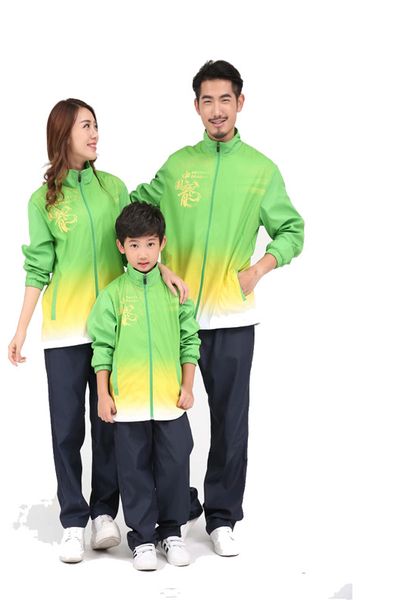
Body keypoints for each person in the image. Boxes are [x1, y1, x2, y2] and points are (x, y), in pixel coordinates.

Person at [130, 60, 305, 556]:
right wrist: (158, 266)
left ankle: (222, 516)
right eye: (207, 100)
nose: (216, 110)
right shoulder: (178, 166)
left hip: (232, 318)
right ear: (196, 107)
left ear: (240, 102)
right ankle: (179, 505)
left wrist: (260, 268)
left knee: (230, 422)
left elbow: (292, 230)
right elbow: (136, 212)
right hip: (176, 315)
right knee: (167, 422)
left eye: (225, 99)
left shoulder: (261, 170)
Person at [8, 98, 187, 563]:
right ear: (63, 134)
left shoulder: (114, 188)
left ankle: (104, 514)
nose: (94, 134)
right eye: (85, 126)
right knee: (66, 429)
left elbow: (137, 241)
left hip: (118, 328)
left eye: (95, 125)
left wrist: (165, 270)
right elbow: (38, 267)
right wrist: (21, 329)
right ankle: (73, 520)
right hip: (65, 331)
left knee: (109, 424)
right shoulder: (43, 202)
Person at [87, 202, 201, 570]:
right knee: (133, 471)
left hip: (170, 402)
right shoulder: (114, 295)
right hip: (128, 404)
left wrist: (188, 386)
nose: (143, 253)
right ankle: (142, 538)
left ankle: (171, 532)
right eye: (134, 245)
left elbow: (189, 341)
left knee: (174, 465)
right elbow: (102, 348)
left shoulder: (175, 292)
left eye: (150, 244)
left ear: (162, 243)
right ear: (121, 246)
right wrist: (103, 394)